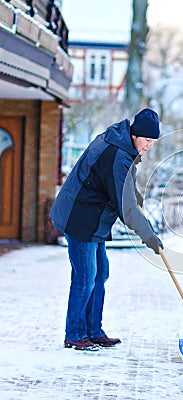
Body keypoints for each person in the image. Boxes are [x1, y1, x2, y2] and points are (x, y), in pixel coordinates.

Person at [51, 108, 164, 351]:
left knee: (99, 274)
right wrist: (149, 236)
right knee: (85, 278)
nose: (148, 146)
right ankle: (75, 334)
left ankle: (93, 330)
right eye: (147, 140)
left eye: (153, 142)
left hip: (94, 219)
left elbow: (124, 187)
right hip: (79, 218)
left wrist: (138, 200)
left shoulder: (122, 146)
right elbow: (124, 204)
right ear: (135, 135)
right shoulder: (117, 153)